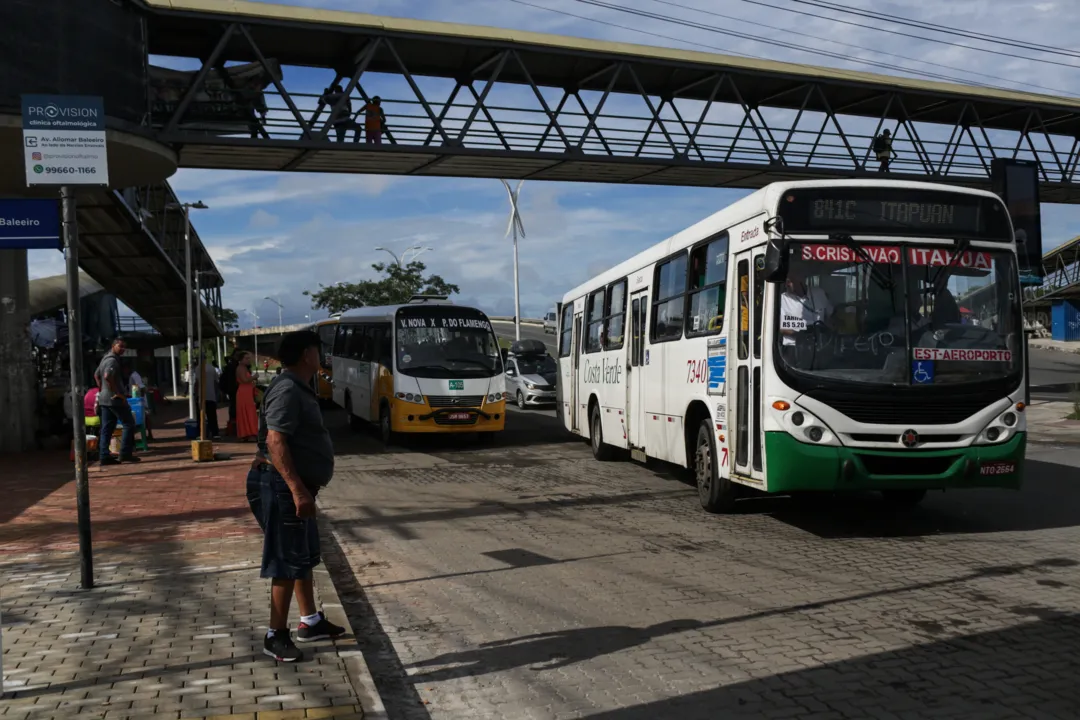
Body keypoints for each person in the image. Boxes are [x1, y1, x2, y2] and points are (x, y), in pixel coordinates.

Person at [246, 330, 344, 662]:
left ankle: (310, 620)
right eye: (319, 350)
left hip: (291, 486)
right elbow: (276, 442)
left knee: (302, 553)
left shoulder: (298, 385)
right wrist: (298, 489)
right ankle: (275, 635)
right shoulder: (288, 389)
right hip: (280, 485)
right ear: (307, 354)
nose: (322, 355)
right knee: (287, 558)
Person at [93, 338, 140, 465]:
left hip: (104, 398)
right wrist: (116, 392)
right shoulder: (112, 361)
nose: (123, 349)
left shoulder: (104, 358)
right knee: (129, 423)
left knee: (107, 428)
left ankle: (104, 456)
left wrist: (103, 390)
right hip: (114, 399)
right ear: (113, 346)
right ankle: (125, 453)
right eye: (120, 346)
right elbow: (107, 376)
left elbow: (96, 375)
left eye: (124, 347)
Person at [779, 267, 833, 348]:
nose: (786, 285)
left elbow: (829, 316)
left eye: (789, 281)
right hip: (793, 347)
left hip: (819, 345)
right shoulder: (782, 299)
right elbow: (777, 327)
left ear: (801, 279)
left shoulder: (819, 293)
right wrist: (800, 334)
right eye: (786, 282)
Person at [194, 357, 221, 439]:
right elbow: (216, 381)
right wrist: (217, 394)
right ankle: (215, 433)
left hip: (201, 396)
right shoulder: (212, 368)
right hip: (211, 395)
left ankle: (201, 433)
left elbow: (197, 382)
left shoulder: (198, 368)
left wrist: (195, 394)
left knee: (200, 416)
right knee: (212, 415)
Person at [236, 352, 260, 442]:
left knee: (248, 412)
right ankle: (249, 433)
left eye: (249, 358)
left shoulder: (243, 368)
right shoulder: (241, 368)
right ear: (241, 359)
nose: (248, 360)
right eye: (246, 358)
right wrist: (254, 377)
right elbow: (244, 380)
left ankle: (248, 433)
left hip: (246, 392)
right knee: (248, 412)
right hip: (244, 392)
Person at [221, 349, 242, 436]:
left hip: (236, 389)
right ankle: (234, 425)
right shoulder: (231, 366)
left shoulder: (237, 365)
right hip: (233, 389)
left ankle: (235, 424)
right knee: (233, 406)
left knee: (235, 407)